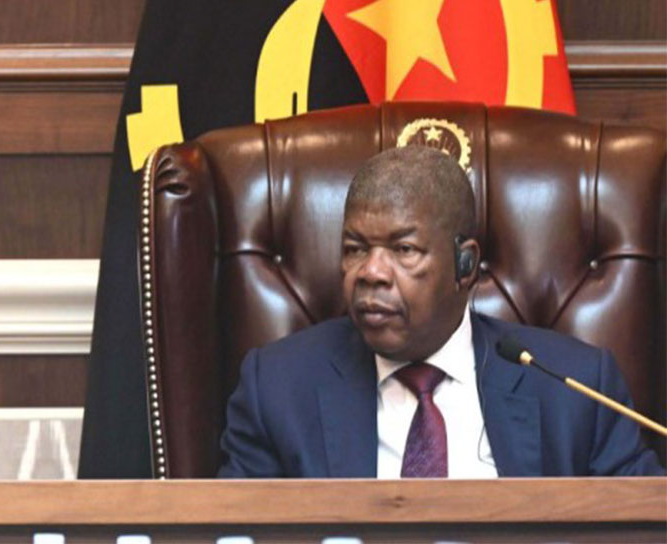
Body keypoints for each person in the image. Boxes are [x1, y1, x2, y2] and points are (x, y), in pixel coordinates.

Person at [218, 145, 663, 478]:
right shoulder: (276, 389)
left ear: (465, 266)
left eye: (403, 249)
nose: (371, 272)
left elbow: (643, 528)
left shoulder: (578, 389)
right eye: (355, 249)